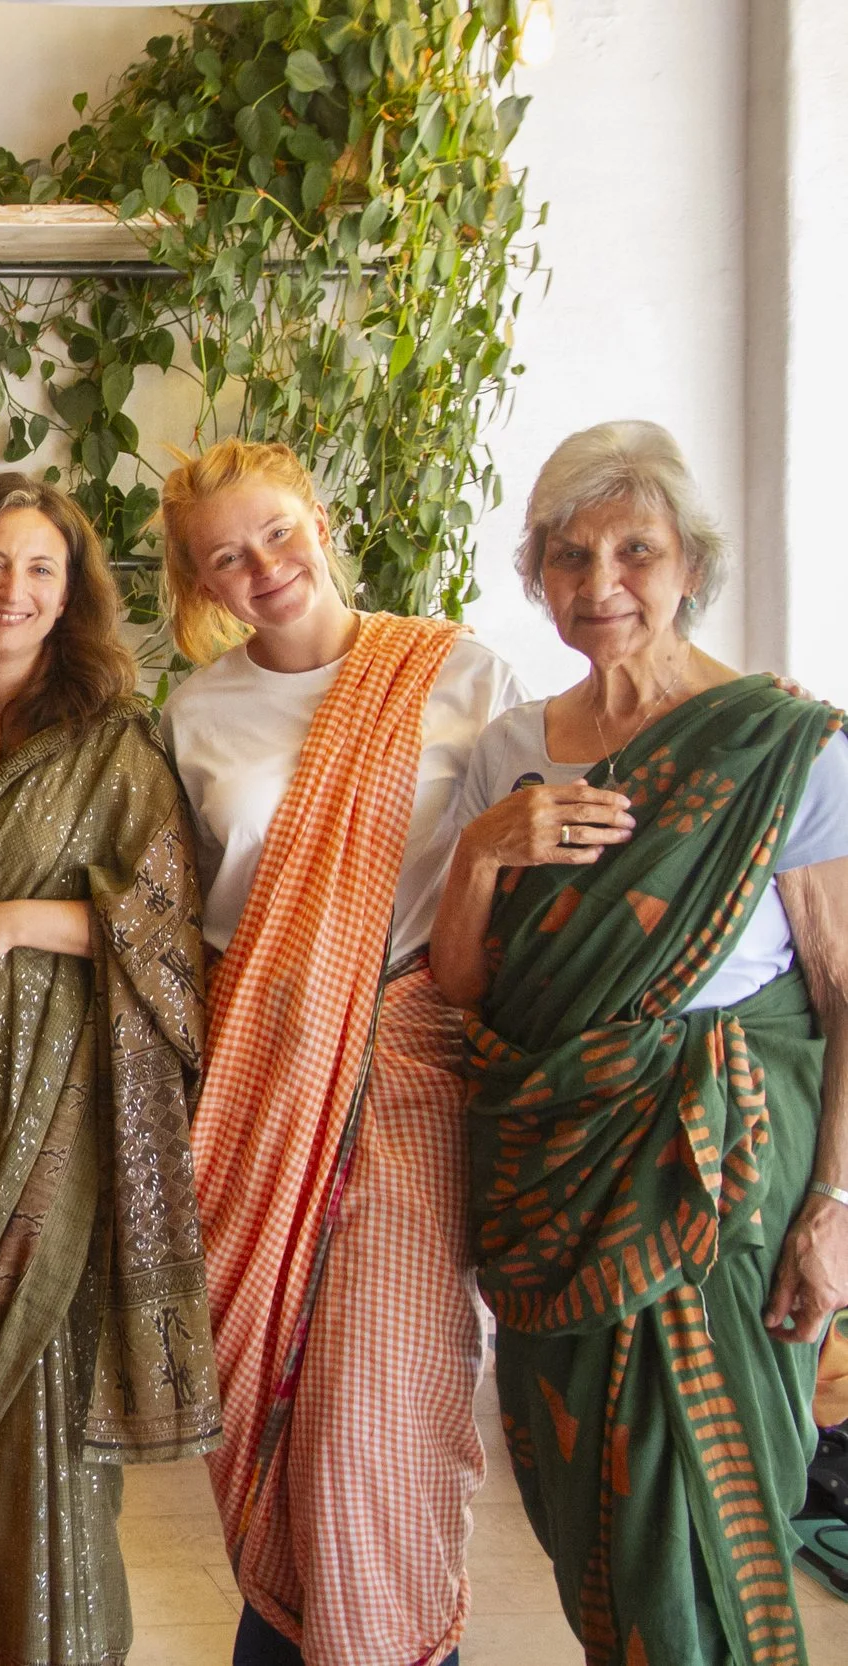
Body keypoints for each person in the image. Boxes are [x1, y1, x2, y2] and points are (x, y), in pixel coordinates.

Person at [427, 420, 848, 1666]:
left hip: (725, 1167)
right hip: (551, 1168)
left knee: (710, 1508)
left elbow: (840, 990)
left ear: (688, 567)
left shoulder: (785, 750)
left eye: (633, 551)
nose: (599, 583)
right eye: (567, 556)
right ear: (537, 576)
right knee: (587, 1497)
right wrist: (481, 851)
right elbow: (462, 985)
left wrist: (833, 1204)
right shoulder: (509, 750)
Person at [158, 438, 527, 1666]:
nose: (262, 567)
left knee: (378, 1405)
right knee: (270, 1397)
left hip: (411, 1060)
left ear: (319, 519)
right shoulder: (193, 713)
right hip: (259, 1075)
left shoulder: (456, 672)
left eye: (276, 532)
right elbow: (174, 915)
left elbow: (523, 890)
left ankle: (385, 1645)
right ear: (200, 586)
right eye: (227, 556)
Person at [0, 473, 220, 1664]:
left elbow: (178, 938)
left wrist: (20, 917)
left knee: (40, 1418)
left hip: (55, 1133)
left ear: (70, 594)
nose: (11, 590)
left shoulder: (113, 749)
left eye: (39, 569)